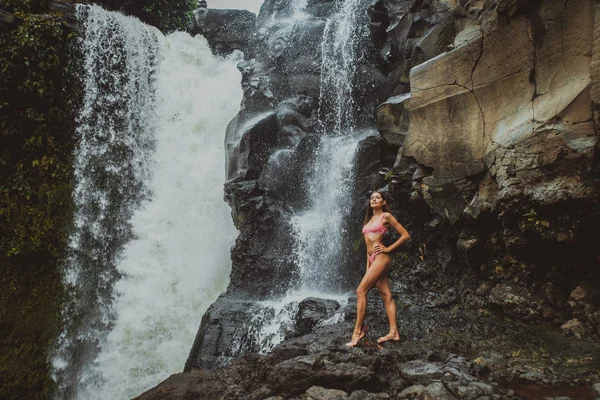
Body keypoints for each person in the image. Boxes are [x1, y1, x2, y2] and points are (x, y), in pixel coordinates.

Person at [346, 191, 411, 347]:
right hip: (372, 260)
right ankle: (394, 332)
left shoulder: (386, 217)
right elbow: (367, 249)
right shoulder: (369, 221)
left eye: (377, 197)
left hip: (382, 258)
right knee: (386, 295)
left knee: (360, 291)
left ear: (383, 202)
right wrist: (368, 266)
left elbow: (405, 235)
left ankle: (358, 332)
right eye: (372, 198)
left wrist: (388, 249)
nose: (374, 199)